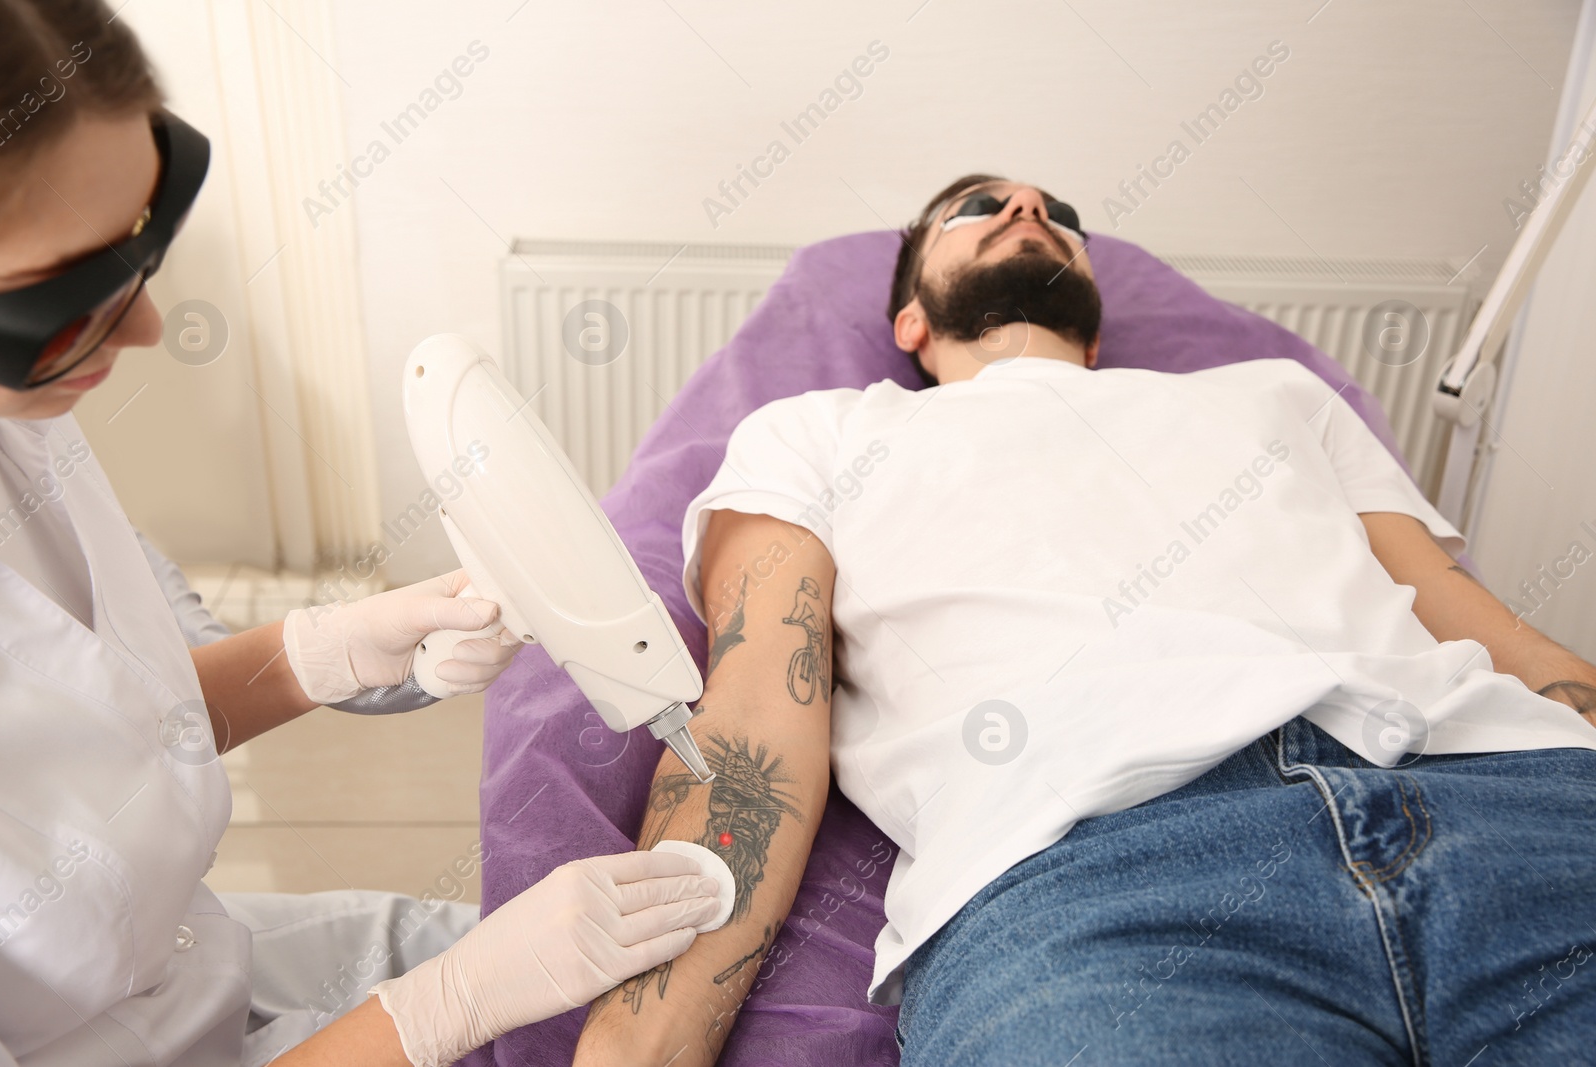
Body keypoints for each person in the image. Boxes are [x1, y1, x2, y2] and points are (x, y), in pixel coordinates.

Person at [569, 173, 1596, 1065]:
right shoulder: (821, 431)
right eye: (978, 206)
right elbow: (755, 725)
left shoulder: (1281, 394)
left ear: (1098, 329)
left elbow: (1477, 620)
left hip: (1516, 807)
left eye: (1057, 211)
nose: (1027, 207)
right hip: (1097, 878)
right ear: (910, 323)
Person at [0, 3, 722, 1065]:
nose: (147, 326)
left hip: (190, 955)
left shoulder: (24, 413)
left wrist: (320, 653)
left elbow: (99, 728)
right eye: (75, 298)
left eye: (144, 240)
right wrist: (442, 1007)